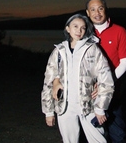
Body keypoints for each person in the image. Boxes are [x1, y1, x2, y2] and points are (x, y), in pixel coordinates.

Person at [55, 0, 126, 143]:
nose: (97, 13)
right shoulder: (82, 32)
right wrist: (57, 79)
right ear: (87, 13)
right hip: (86, 97)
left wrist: (105, 84)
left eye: (100, 8)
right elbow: (66, 59)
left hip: (112, 94)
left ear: (106, 10)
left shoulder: (119, 31)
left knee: (117, 135)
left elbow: (125, 63)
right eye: (93, 9)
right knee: (87, 136)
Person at [42, 14, 115, 143]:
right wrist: (48, 112)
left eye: (82, 28)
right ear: (67, 29)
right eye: (75, 26)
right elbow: (48, 81)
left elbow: (106, 79)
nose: (79, 30)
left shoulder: (92, 49)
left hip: (89, 106)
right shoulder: (59, 51)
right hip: (65, 107)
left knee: (99, 140)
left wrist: (100, 108)